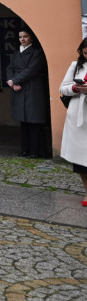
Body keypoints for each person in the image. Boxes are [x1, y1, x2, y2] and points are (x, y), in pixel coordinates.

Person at [7, 28, 50, 158]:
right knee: (23, 121)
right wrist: (11, 81)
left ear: (31, 37)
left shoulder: (37, 52)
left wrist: (15, 80)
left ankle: (36, 151)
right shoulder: (16, 53)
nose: (23, 39)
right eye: (20, 37)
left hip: (33, 88)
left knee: (34, 121)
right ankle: (25, 149)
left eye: (25, 36)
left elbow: (32, 70)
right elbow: (10, 68)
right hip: (19, 89)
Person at [59, 38, 87, 205]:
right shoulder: (76, 66)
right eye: (85, 53)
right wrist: (76, 88)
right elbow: (62, 87)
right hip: (79, 118)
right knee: (81, 160)